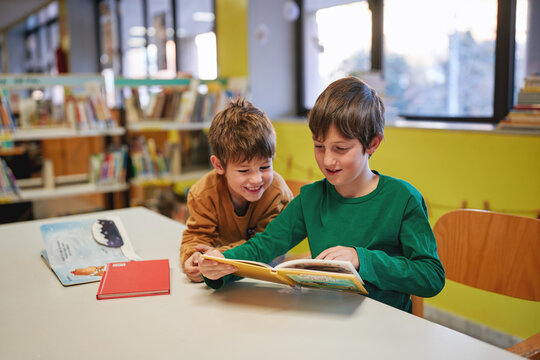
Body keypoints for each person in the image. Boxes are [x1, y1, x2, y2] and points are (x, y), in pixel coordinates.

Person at [199, 77, 445, 312]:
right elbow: (263, 247)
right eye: (319, 146)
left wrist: (362, 259)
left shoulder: (403, 199)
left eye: (340, 148)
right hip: (326, 319)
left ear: (372, 144)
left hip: (384, 330)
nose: (328, 160)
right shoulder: (311, 199)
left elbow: (431, 276)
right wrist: (218, 264)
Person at [180, 98, 293, 282]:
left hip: (268, 274)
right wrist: (193, 258)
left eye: (265, 167)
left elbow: (266, 244)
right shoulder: (203, 193)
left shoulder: (277, 191)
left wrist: (217, 257)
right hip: (226, 277)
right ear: (218, 165)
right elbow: (197, 235)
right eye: (244, 170)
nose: (256, 179)